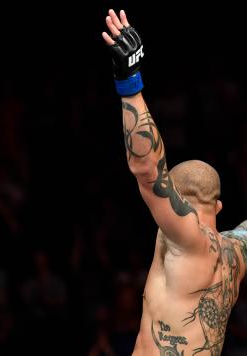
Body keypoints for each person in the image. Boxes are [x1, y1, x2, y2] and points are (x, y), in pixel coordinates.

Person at [102, 9, 247, 355]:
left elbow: (149, 171)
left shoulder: (186, 236)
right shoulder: (236, 252)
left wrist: (129, 84)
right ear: (219, 206)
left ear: (178, 201)